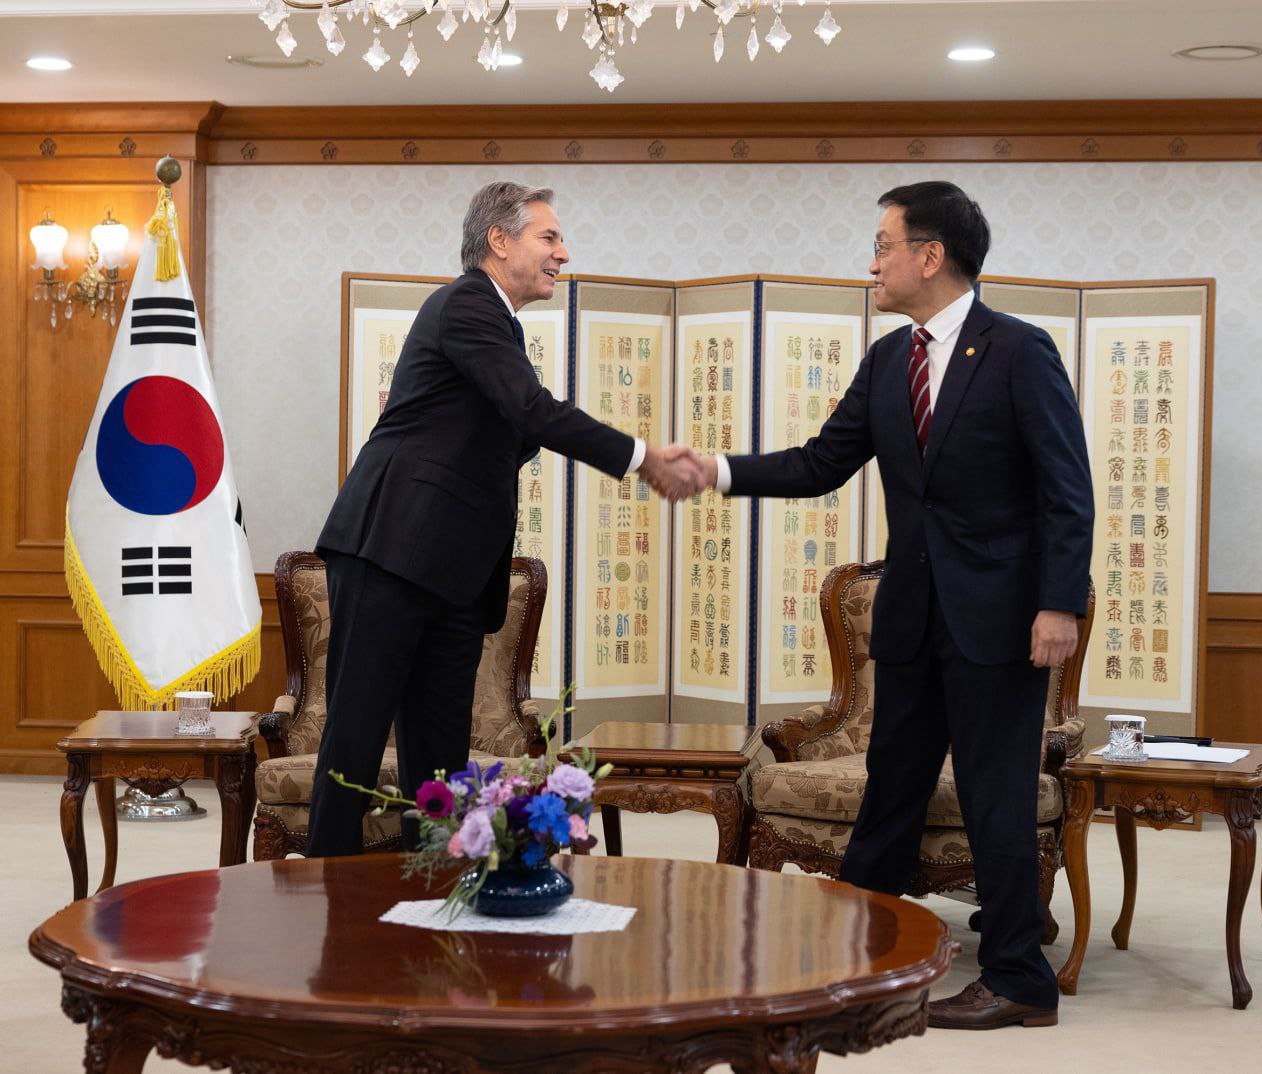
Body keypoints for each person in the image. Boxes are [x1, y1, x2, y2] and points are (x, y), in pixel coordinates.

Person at [680, 181, 1093, 1029]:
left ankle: (1019, 980)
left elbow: (1067, 489)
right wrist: (715, 470)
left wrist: (1058, 606)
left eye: (883, 245)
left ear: (930, 256)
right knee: (891, 790)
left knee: (995, 797)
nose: (872, 263)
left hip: (998, 620)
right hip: (911, 616)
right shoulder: (887, 361)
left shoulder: (1019, 350)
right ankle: (859, 954)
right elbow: (818, 463)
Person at [306, 181, 700, 858]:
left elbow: (504, 428)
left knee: (439, 759)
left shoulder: (499, 326)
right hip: (390, 551)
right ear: (499, 240)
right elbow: (532, 412)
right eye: (549, 237)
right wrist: (642, 458)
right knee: (356, 739)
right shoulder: (465, 304)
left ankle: (435, 889)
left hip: (454, 575)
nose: (563, 253)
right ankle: (320, 896)